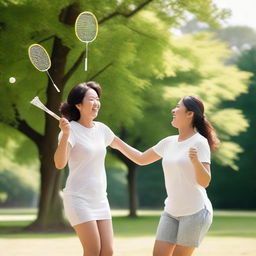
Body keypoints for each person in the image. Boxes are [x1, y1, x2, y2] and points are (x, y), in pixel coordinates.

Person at [110, 95, 220, 256]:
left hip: (195, 212)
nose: (173, 110)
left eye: (177, 107)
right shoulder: (169, 142)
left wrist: (196, 162)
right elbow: (141, 159)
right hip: (171, 211)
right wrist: (115, 141)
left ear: (190, 114)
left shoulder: (199, 142)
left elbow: (205, 182)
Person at [54, 81, 115, 256]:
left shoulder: (102, 130)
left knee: (108, 251)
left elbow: (136, 156)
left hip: (100, 199)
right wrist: (65, 135)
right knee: (93, 250)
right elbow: (59, 164)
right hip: (78, 199)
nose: (96, 103)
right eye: (91, 99)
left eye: (97, 99)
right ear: (79, 105)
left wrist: (167, 150)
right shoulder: (70, 130)